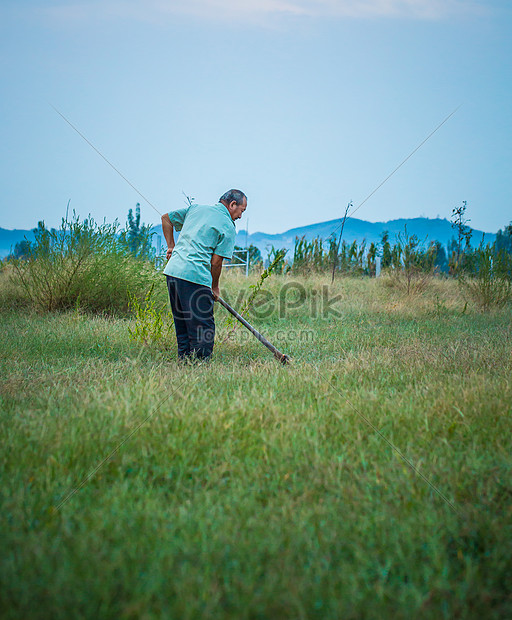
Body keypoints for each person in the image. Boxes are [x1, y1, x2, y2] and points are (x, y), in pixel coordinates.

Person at [161, 189, 247, 360]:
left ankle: (185, 361)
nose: (240, 216)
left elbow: (166, 219)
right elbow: (216, 262)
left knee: (183, 322)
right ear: (232, 205)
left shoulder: (196, 209)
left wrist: (171, 246)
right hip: (195, 276)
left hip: (173, 272)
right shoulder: (228, 226)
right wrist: (214, 287)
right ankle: (199, 365)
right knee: (203, 326)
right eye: (241, 211)